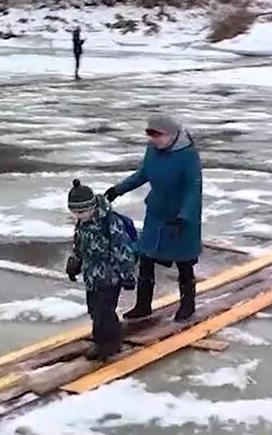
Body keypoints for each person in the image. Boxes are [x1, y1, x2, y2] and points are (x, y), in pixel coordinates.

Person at [105, 114, 203, 322]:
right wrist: (118, 190)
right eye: (151, 135)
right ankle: (143, 305)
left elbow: (193, 190)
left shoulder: (188, 155)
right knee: (146, 258)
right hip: (157, 213)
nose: (154, 140)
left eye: (158, 135)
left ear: (172, 134)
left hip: (180, 216)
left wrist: (185, 217)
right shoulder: (152, 151)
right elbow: (143, 174)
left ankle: (188, 305)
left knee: (184, 263)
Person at [66, 178, 123, 361]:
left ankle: (112, 343)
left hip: (110, 275)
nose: (80, 215)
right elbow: (79, 245)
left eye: (82, 211)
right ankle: (99, 342)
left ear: (92, 206)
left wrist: (127, 274)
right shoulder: (82, 224)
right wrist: (75, 263)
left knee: (105, 311)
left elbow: (122, 249)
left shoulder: (109, 222)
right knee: (94, 310)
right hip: (92, 275)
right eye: (75, 212)